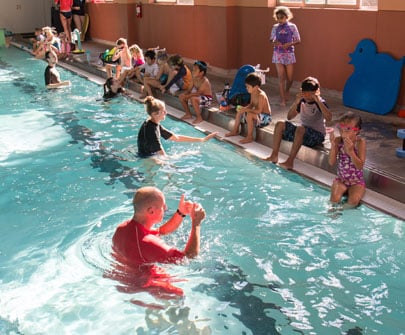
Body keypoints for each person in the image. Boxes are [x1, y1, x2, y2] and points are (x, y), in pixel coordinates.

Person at [264, 76, 332, 170]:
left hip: (317, 136)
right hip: (302, 133)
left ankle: (290, 161)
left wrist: (318, 101)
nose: (308, 97)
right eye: (305, 94)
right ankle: (274, 155)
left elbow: (329, 118)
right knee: (280, 124)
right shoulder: (302, 101)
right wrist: (296, 102)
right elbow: (290, 117)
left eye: (310, 94)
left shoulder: (320, 103)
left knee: (300, 129)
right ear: (302, 92)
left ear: (316, 92)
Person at [137, 96, 217, 157]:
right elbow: (163, 157)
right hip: (147, 158)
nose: (166, 113)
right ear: (155, 114)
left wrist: (202, 139)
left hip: (146, 155)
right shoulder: (151, 131)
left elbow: (176, 137)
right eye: (163, 111)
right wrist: (185, 154)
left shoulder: (153, 123)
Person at [328, 112, 366, 207]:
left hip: (356, 182)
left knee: (353, 201)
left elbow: (360, 166)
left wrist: (351, 151)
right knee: (334, 199)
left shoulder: (360, 143)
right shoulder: (338, 141)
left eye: (348, 129)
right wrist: (333, 146)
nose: (343, 132)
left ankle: (342, 213)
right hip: (341, 180)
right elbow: (331, 162)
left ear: (356, 130)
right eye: (341, 128)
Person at [225, 72, 272, 144]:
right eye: (246, 86)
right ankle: (235, 130)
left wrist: (246, 109)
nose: (246, 89)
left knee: (249, 114)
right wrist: (244, 109)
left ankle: (250, 137)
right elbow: (251, 104)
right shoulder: (253, 92)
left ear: (256, 87)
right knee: (240, 111)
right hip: (258, 115)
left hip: (265, 118)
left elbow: (259, 111)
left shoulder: (261, 95)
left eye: (248, 87)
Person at [270, 6, 300, 107]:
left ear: (287, 17)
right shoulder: (275, 27)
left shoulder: (292, 27)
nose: (279, 20)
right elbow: (271, 39)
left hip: (289, 54)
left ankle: (287, 90)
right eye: (278, 18)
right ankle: (282, 99)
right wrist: (275, 42)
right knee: (281, 77)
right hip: (278, 54)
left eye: (281, 17)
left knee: (290, 78)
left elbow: (298, 40)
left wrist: (289, 44)